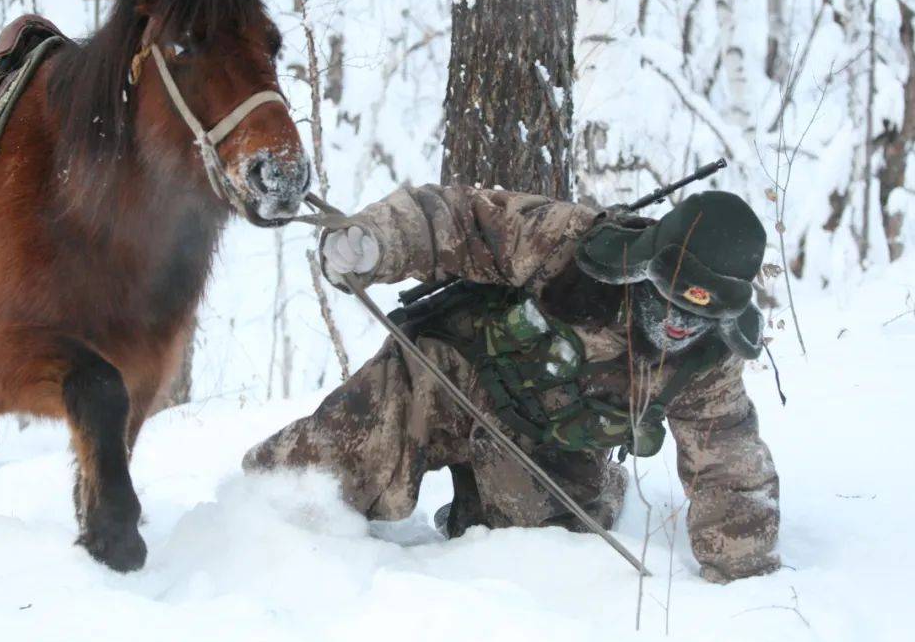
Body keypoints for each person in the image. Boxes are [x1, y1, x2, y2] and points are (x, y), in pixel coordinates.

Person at [244, 184, 780, 583]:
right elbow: (463, 218)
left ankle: (514, 501)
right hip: (448, 379)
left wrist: (742, 576)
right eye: (669, 296)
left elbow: (730, 464)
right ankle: (238, 532)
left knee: (531, 567)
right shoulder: (569, 244)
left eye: (701, 311)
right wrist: (375, 241)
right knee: (304, 489)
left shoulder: (708, 362)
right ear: (646, 266)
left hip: (542, 448)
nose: (682, 321)